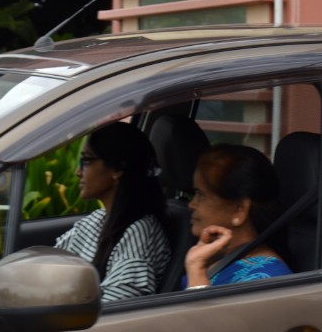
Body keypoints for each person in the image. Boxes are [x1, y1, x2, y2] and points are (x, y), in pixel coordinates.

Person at [55, 122, 170, 302]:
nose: (78, 172)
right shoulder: (96, 221)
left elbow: (115, 310)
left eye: (86, 161)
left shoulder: (139, 232)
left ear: (116, 169)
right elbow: (50, 265)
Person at [184, 144, 291, 288]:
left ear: (239, 209)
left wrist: (196, 271)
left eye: (201, 195)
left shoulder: (267, 280)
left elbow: (204, 312)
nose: (191, 204)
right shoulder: (218, 258)